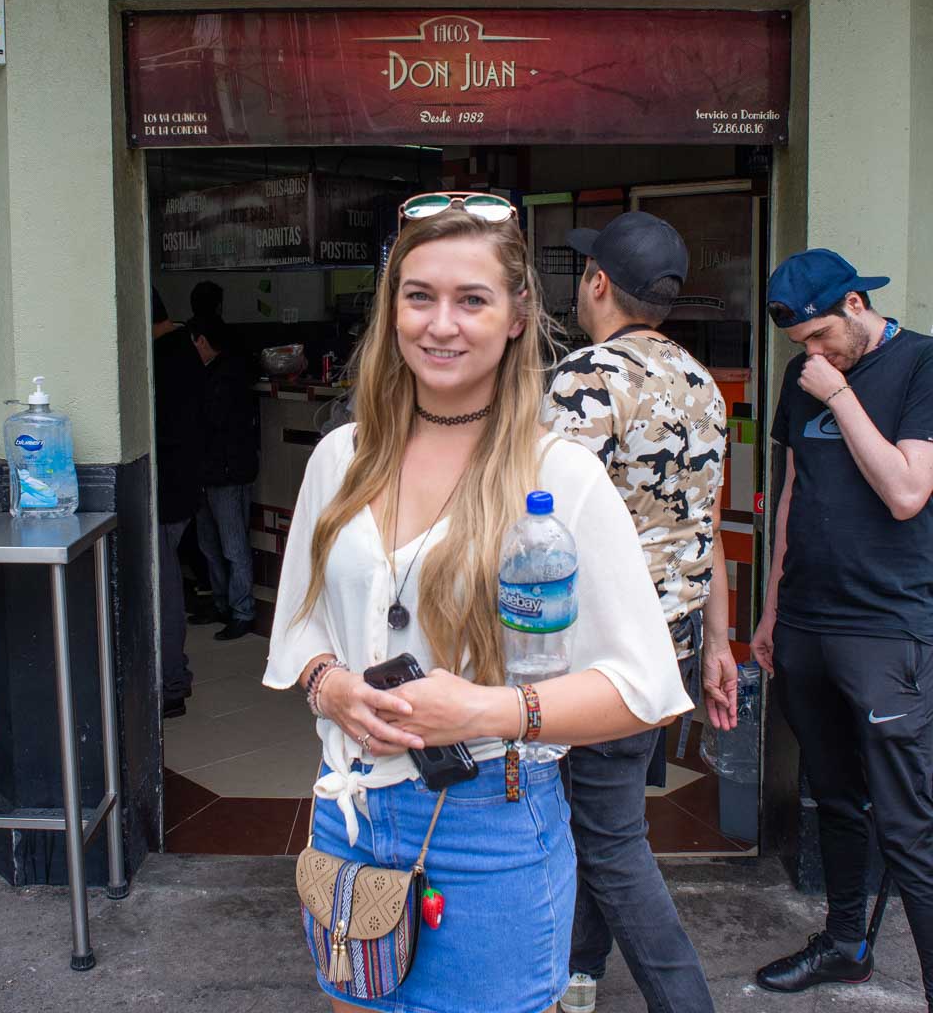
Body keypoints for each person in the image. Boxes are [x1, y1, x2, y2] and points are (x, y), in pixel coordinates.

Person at [263, 194, 693, 1013]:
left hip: (490, 829)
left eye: (472, 300)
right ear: (392, 307)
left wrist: (490, 710)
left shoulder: (559, 476)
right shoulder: (339, 458)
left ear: (518, 316)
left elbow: (639, 689)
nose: (440, 324)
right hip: (347, 817)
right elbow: (300, 626)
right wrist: (331, 685)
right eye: (419, 295)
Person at [542, 210, 733, 1013]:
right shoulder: (703, 383)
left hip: (601, 652)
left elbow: (537, 524)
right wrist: (718, 643)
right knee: (606, 815)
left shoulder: (589, 376)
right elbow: (706, 527)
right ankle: (578, 969)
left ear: (597, 284)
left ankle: (685, 1002)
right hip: (676, 638)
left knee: (610, 837)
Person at [752, 248, 933, 1007]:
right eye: (802, 349)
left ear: (857, 303)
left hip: (885, 624)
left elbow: (906, 492)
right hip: (806, 618)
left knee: (907, 821)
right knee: (831, 794)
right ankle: (846, 942)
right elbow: (794, 492)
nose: (814, 357)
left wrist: (841, 395)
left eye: (823, 336)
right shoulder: (804, 379)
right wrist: (769, 610)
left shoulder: (921, 365)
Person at [188, 314, 260, 641]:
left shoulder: (226, 376)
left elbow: (214, 424)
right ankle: (223, 606)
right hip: (211, 471)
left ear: (201, 341)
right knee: (212, 545)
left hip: (226, 473)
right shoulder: (222, 372)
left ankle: (241, 611)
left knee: (231, 547)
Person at [152, 286, 206, 718]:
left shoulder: (161, 358)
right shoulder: (187, 349)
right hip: (186, 483)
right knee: (167, 582)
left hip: (166, 488)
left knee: (164, 587)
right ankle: (172, 678)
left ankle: (172, 682)